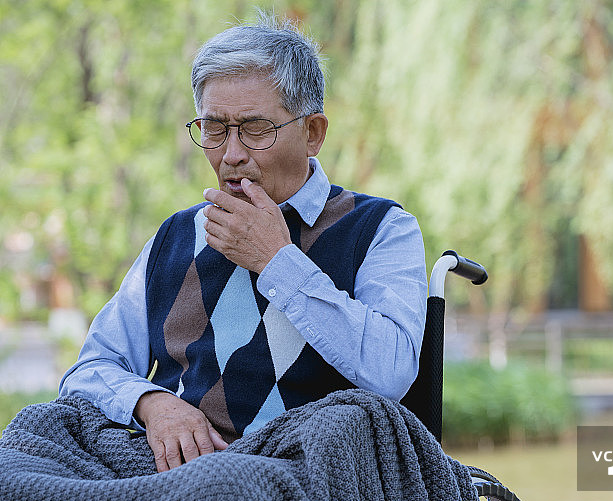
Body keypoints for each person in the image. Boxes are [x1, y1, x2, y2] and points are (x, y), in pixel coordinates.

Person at [59, 13, 428, 473]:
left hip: (305, 476)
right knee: (26, 450)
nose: (231, 155)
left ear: (312, 133)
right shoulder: (177, 235)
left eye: (255, 129)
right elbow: (90, 369)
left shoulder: (381, 228)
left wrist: (276, 259)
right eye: (215, 128)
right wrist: (152, 403)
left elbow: (391, 373)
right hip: (173, 475)